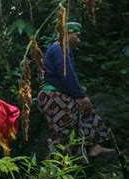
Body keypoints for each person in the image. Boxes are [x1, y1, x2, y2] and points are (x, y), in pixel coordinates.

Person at [37, 22, 113, 161]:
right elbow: (66, 73)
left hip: (57, 94)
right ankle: (52, 172)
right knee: (63, 133)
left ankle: (94, 146)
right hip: (54, 96)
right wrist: (79, 95)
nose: (79, 39)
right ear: (68, 34)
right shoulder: (59, 48)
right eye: (77, 35)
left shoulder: (60, 48)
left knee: (87, 112)